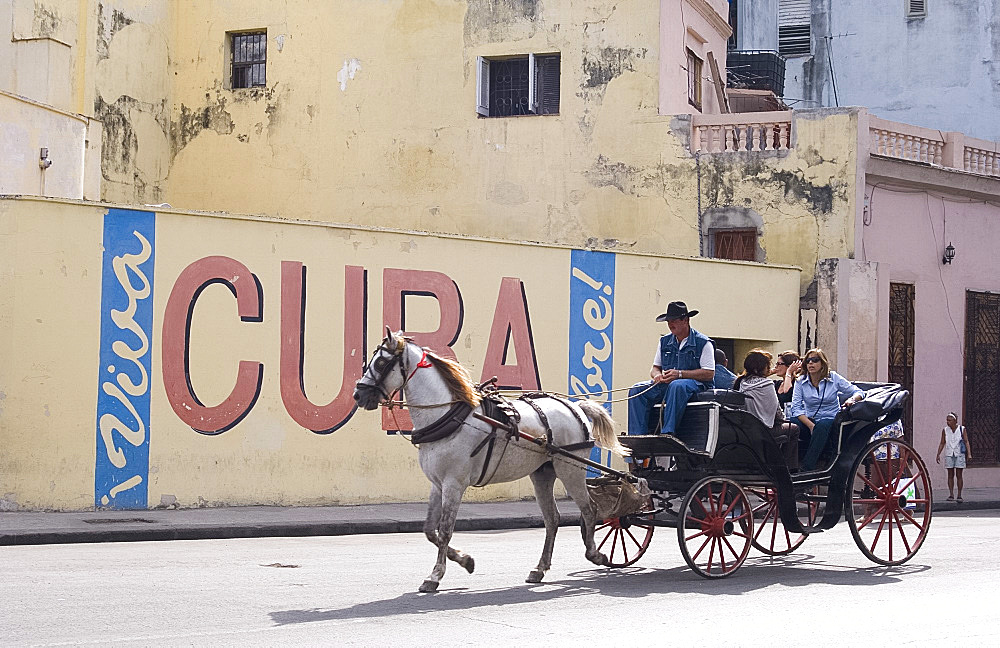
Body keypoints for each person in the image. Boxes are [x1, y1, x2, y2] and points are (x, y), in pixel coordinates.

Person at [627, 301, 715, 436]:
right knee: (636, 390)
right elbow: (655, 368)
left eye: (673, 320)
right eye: (668, 321)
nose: (670, 324)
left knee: (677, 385)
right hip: (668, 385)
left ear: (685, 320)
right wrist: (657, 376)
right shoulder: (664, 341)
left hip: (695, 386)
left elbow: (709, 373)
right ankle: (637, 436)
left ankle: (668, 432)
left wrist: (680, 374)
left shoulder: (703, 342)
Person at [789, 348, 864, 471]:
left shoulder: (833, 378)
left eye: (815, 360)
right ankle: (789, 466)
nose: (811, 364)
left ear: (822, 363)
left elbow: (858, 391)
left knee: (822, 425)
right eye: (808, 361)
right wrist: (810, 425)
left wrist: (852, 400)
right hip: (809, 419)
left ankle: (807, 468)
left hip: (830, 418)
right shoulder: (800, 381)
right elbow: (796, 408)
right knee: (791, 425)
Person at [733, 349, 780, 427]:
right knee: (794, 429)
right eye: (767, 366)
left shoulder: (740, 382)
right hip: (763, 429)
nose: (769, 368)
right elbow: (776, 409)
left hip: (743, 428)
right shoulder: (767, 384)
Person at [936, 412, 972, 501]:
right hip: (949, 453)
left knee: (959, 474)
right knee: (950, 474)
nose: (948, 422)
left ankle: (959, 495)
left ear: (955, 421)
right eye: (947, 420)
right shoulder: (945, 430)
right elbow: (942, 442)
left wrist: (969, 453)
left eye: (950, 420)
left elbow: (966, 441)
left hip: (959, 453)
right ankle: (951, 494)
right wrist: (938, 453)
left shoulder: (962, 429)